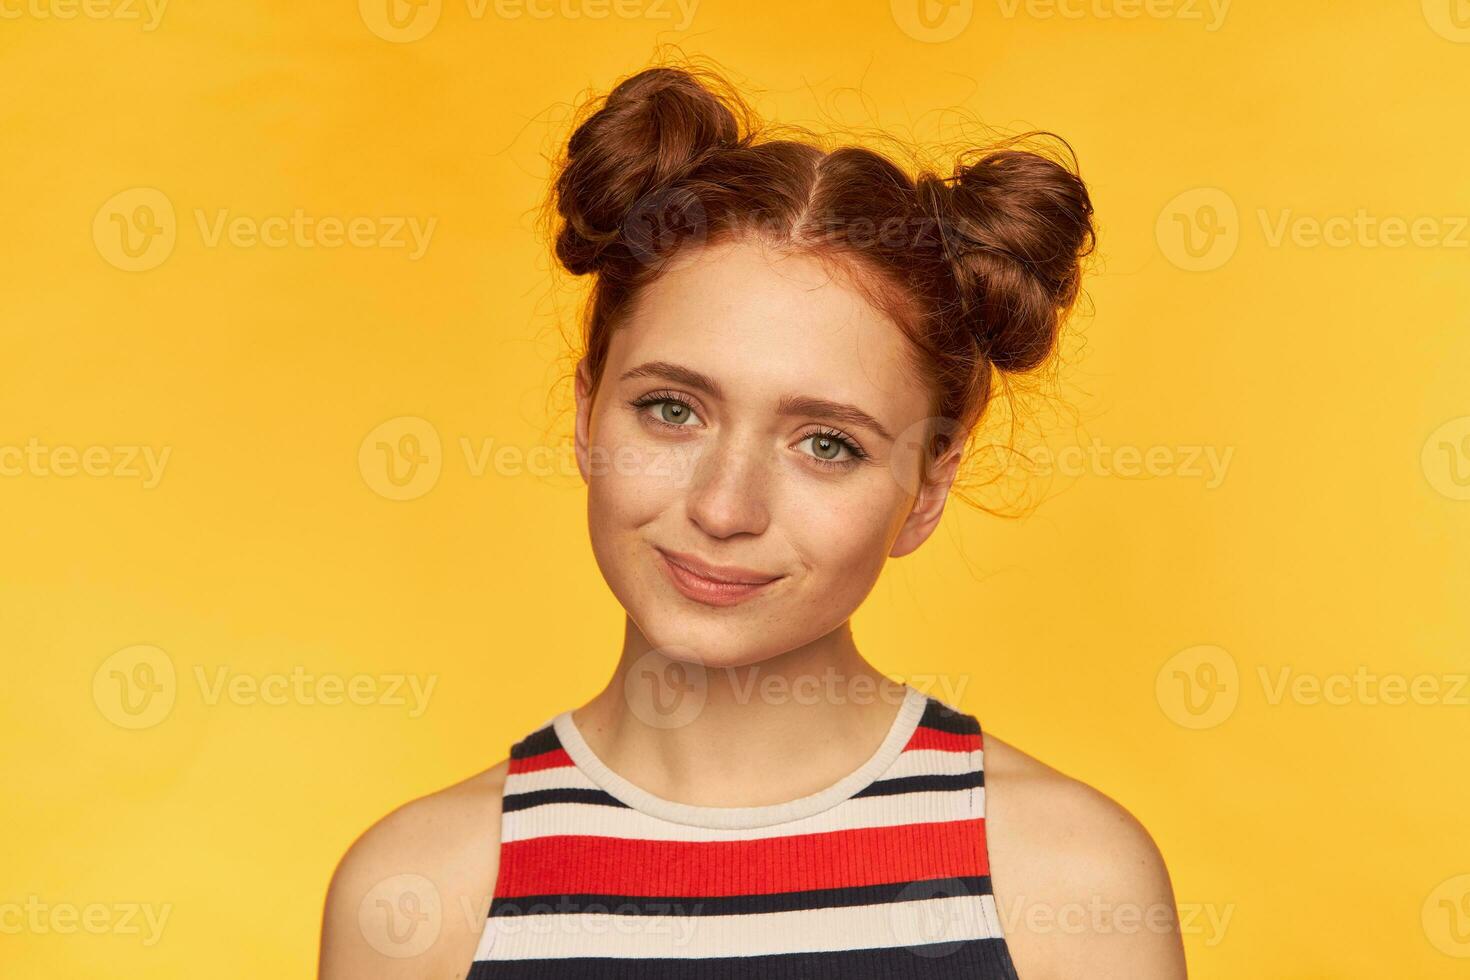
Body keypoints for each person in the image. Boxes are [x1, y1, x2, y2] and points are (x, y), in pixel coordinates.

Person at [319, 64, 1186, 979]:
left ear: (930, 485)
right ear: (585, 412)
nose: (723, 509)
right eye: (672, 410)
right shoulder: (417, 895)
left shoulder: (1066, 885)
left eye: (827, 444)